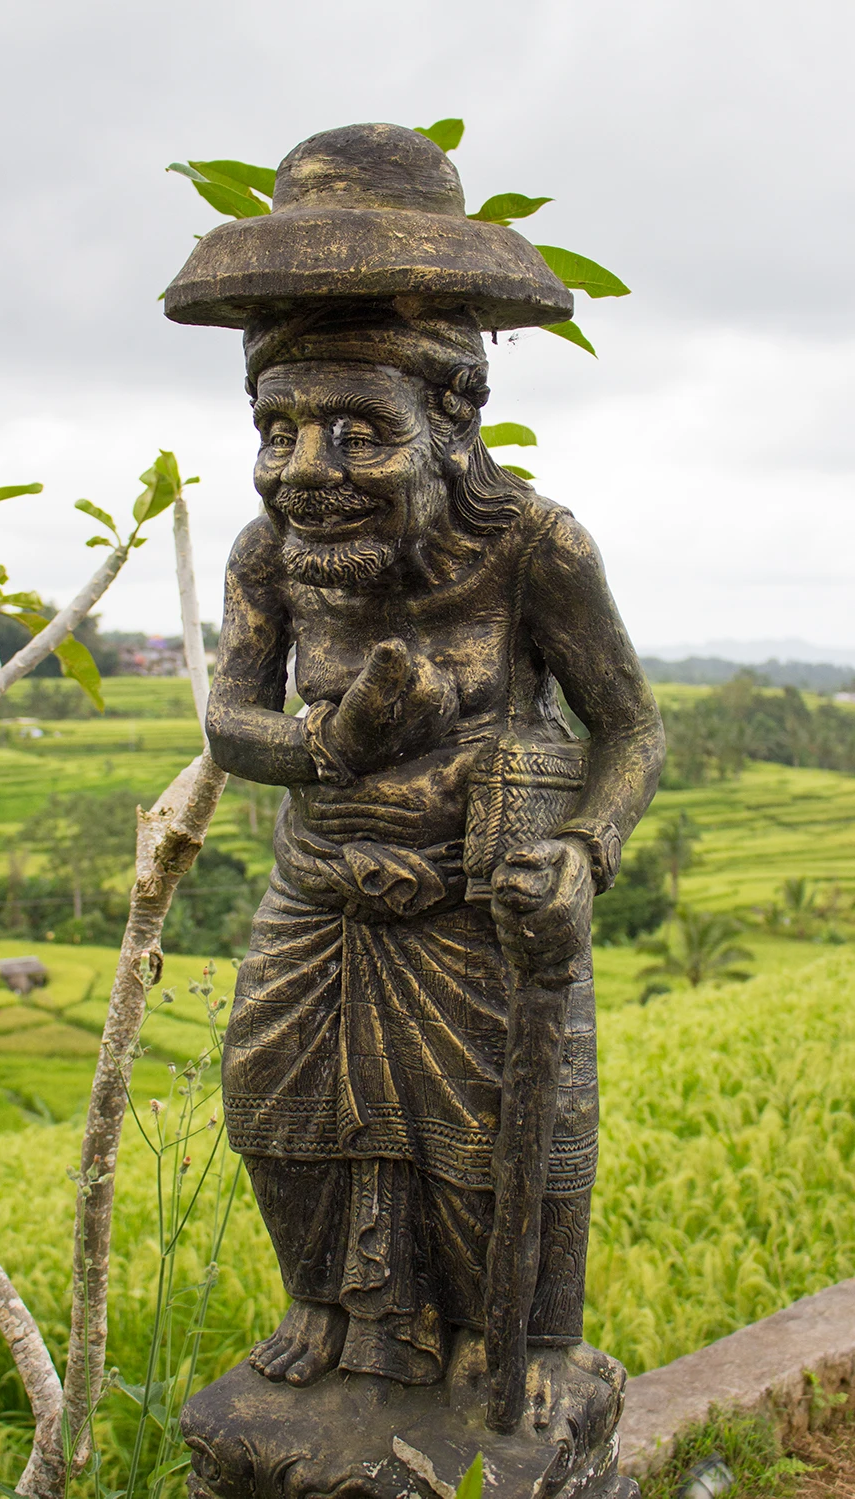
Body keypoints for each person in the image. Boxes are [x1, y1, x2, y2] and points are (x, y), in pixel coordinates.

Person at [205, 302, 665, 1391]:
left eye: (363, 431)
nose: (309, 467)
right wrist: (333, 738)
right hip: (323, 887)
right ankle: (324, 1301)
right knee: (273, 1101)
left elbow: (630, 725)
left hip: (478, 897)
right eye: (281, 431)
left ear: (452, 425)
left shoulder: (533, 547)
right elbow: (228, 720)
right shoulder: (270, 554)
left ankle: (506, 1333)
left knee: (493, 1126)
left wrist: (585, 849)